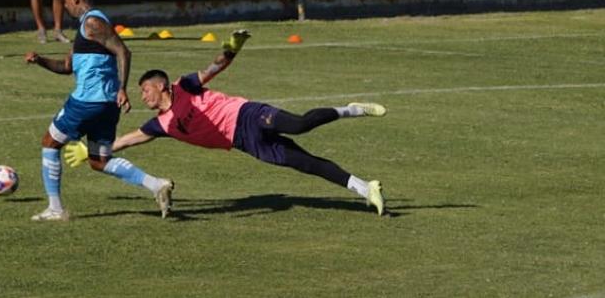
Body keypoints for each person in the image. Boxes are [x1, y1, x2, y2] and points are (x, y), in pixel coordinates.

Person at [64, 30, 390, 216]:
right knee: (304, 164)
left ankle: (351, 109)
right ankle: (365, 188)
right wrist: (91, 148)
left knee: (300, 124)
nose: (144, 95)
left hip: (247, 114)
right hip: (243, 142)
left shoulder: (184, 86)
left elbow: (213, 68)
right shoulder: (160, 124)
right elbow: (129, 139)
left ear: (161, 85)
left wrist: (231, 49)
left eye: (146, 89)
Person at [25, 0, 173, 221]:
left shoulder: (92, 22)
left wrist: (123, 88)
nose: (64, 6)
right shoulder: (86, 26)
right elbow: (66, 66)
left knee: (49, 143)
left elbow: (123, 51)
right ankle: (156, 185)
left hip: (87, 102)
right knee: (99, 161)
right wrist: (39, 60)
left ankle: (55, 209)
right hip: (105, 107)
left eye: (65, 1)